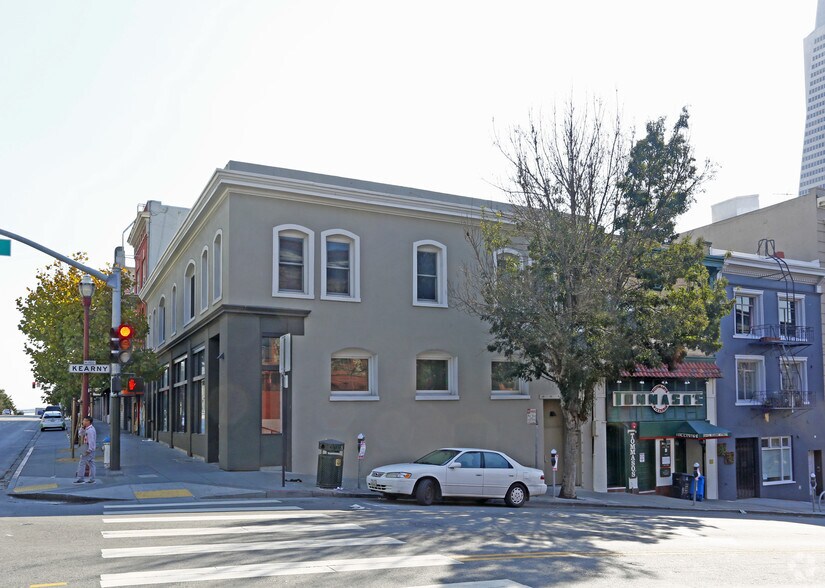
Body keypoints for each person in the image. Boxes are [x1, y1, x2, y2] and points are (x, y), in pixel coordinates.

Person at [74, 416, 97, 484]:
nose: (83, 422)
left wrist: (89, 450)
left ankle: (81, 478)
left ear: (88, 422)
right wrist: (82, 427)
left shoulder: (90, 430)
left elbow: (91, 441)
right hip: (88, 447)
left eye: (84, 420)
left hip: (88, 448)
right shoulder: (88, 429)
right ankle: (92, 479)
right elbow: (81, 434)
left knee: (82, 463)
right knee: (91, 463)